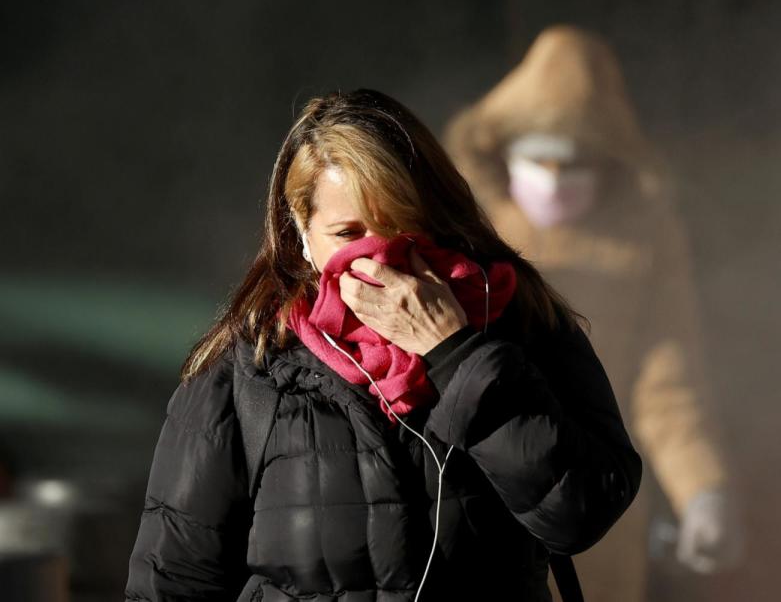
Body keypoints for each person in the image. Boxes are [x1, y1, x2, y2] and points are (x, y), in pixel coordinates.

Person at [124, 88, 642, 602]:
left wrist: (457, 353)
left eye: (400, 227)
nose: (379, 256)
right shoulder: (249, 370)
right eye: (348, 234)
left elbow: (581, 515)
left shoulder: (519, 326)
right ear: (301, 233)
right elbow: (172, 584)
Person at [444, 26, 744, 601]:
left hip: (595, 501)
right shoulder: (462, 222)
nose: (554, 179)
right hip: (478, 488)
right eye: (539, 157)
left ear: (609, 161)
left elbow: (668, 380)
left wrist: (703, 489)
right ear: (502, 148)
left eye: (574, 161)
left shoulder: (644, 238)